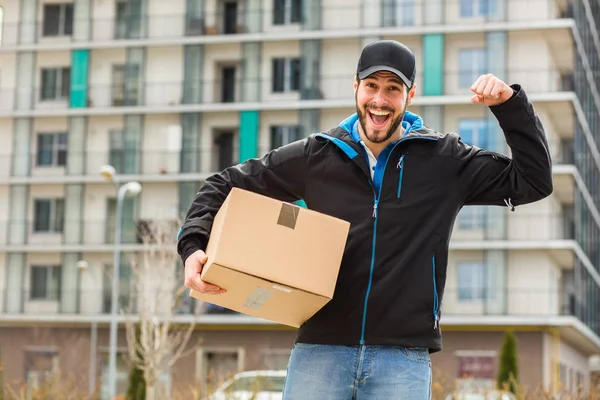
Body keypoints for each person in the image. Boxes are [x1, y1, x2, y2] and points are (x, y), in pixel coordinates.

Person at [177, 40, 553, 399]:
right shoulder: (317, 155)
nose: (379, 99)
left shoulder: (445, 161)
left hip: (402, 359)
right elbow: (223, 184)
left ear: (411, 95)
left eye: (393, 88)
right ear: (355, 87)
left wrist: (510, 105)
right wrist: (193, 244)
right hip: (320, 352)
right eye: (371, 85)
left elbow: (533, 181)